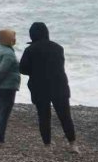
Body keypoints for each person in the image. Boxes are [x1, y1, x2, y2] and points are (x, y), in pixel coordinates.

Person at [18, 22, 79, 153]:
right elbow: (59, 65)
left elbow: (22, 69)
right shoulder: (58, 48)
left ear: (32, 34)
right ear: (46, 32)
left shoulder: (30, 50)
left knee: (44, 117)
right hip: (59, 86)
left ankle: (47, 146)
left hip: (40, 88)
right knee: (65, 116)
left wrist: (34, 71)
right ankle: (73, 144)